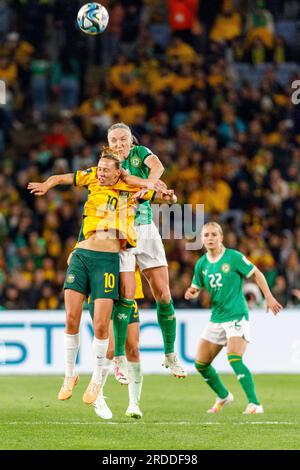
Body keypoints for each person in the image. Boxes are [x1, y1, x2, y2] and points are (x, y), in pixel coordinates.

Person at [28, 148, 176, 405]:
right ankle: (69, 374)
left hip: (108, 260)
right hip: (82, 255)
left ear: (119, 172)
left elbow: (166, 197)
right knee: (71, 318)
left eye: (106, 170)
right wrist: (47, 184)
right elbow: (62, 177)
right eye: (100, 169)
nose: (101, 173)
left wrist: (166, 193)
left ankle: (99, 378)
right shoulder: (91, 179)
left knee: (101, 324)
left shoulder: (132, 190)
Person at [107, 122, 187, 380]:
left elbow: (158, 167)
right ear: (109, 144)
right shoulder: (107, 166)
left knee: (164, 293)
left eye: (123, 139)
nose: (119, 144)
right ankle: (119, 359)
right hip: (121, 233)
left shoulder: (141, 153)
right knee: (126, 296)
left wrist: (154, 188)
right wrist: (150, 188)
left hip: (147, 229)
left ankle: (170, 354)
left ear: (131, 141)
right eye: (114, 140)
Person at [185, 222, 282, 415]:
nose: (210, 238)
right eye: (206, 235)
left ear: (221, 237)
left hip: (237, 315)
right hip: (217, 317)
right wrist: (192, 292)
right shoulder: (202, 264)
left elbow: (257, 274)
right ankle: (223, 396)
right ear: (202, 239)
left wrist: (269, 297)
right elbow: (196, 287)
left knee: (234, 357)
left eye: (214, 234)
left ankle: (255, 404)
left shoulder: (234, 257)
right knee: (201, 364)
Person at [89, 269, 144, 420]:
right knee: (110, 348)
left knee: (133, 349)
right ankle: (96, 393)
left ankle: (134, 404)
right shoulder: (97, 244)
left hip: (127, 293)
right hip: (103, 291)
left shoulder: (135, 244)